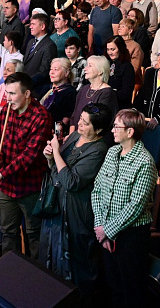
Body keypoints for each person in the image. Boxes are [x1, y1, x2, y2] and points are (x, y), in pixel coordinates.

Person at [38, 102, 109, 300]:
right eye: (81, 119)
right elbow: (57, 173)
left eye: (86, 123)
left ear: (99, 129)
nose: (79, 125)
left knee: (76, 264)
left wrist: (58, 153)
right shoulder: (76, 136)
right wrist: (51, 158)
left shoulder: (98, 149)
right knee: (50, 257)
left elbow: (71, 182)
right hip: (56, 206)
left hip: (76, 212)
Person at [91, 109, 158, 306]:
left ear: (130, 132)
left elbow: (136, 206)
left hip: (132, 236)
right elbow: (97, 189)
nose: (112, 130)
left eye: (116, 126)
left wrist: (108, 231)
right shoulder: (112, 152)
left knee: (132, 291)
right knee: (113, 287)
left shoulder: (145, 162)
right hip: (105, 230)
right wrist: (101, 227)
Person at [0, 72, 53, 258]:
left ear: (26, 94)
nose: (8, 98)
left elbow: (29, 156)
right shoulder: (6, 111)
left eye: (13, 94)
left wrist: (2, 173)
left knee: (34, 234)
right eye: (7, 93)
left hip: (30, 187)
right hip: (7, 186)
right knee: (8, 233)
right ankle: (10, 277)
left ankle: (36, 280)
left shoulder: (41, 116)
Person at [70, 55, 119, 134]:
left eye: (90, 66)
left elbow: (99, 122)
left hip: (92, 138)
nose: (85, 69)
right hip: (76, 135)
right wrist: (71, 136)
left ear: (100, 71)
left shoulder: (107, 93)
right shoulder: (84, 89)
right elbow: (74, 116)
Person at [105, 36, 135, 110]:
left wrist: (110, 93)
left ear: (120, 49)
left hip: (120, 106)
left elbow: (126, 92)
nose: (110, 53)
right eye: (108, 49)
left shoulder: (127, 67)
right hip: (106, 103)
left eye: (113, 49)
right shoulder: (106, 63)